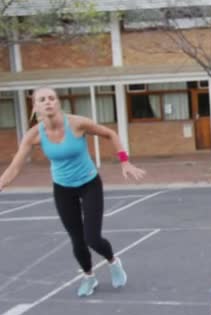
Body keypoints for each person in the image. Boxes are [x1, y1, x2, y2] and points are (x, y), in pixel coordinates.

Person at [0, 87, 146, 297]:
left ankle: (113, 262)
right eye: (42, 99)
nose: (48, 102)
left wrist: (125, 162)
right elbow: (15, 166)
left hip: (89, 184)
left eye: (52, 98)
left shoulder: (77, 124)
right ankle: (89, 276)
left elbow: (110, 133)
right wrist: (2, 183)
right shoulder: (33, 135)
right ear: (36, 106)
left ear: (58, 102)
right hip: (63, 189)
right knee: (77, 240)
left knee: (92, 238)